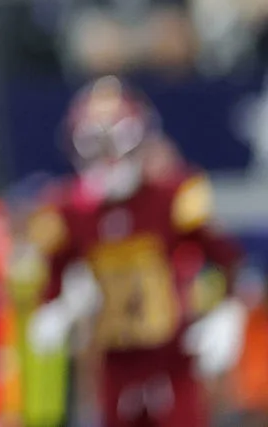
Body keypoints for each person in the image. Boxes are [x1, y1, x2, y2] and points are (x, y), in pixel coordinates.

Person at [26, 76, 244, 427]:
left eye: (116, 138)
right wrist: (53, 308)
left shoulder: (172, 195)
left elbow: (227, 257)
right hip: (115, 358)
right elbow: (54, 269)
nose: (108, 154)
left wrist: (227, 314)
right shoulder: (70, 210)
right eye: (95, 141)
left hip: (171, 354)